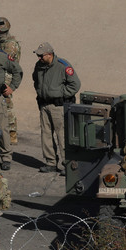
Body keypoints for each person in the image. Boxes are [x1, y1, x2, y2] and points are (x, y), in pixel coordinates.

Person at [32, 42, 81, 175]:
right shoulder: (39, 66)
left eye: (41, 56)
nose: (39, 58)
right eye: (38, 56)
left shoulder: (62, 65)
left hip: (58, 106)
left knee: (62, 136)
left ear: (49, 54)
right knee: (46, 134)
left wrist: (60, 94)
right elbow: (35, 80)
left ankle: (67, 164)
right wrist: (41, 93)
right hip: (44, 105)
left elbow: (75, 85)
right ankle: (50, 163)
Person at [0, 17, 21, 144]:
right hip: (2, 76)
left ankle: (11, 134)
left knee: (7, 106)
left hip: (6, 79)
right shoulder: (4, 43)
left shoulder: (10, 45)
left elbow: (6, 64)